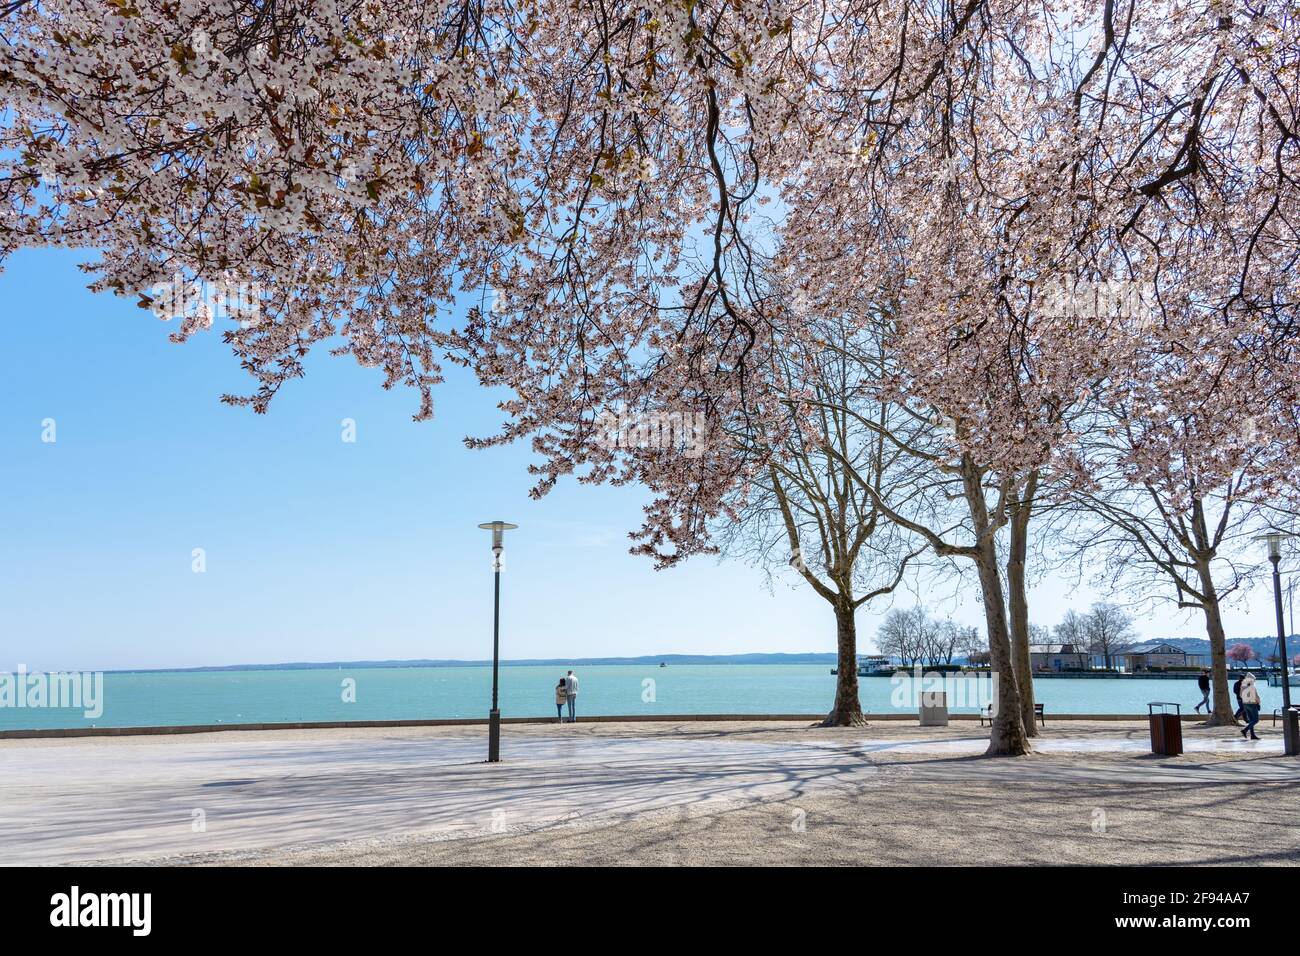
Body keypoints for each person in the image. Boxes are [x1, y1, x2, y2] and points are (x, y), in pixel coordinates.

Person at [1240, 674, 1262, 740]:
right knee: (1255, 720)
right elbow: (1256, 696)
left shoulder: (1243, 685)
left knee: (1251, 720)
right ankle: (1245, 730)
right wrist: (1259, 702)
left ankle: (1252, 735)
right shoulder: (1252, 686)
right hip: (1252, 704)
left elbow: (1240, 695)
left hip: (1245, 703)